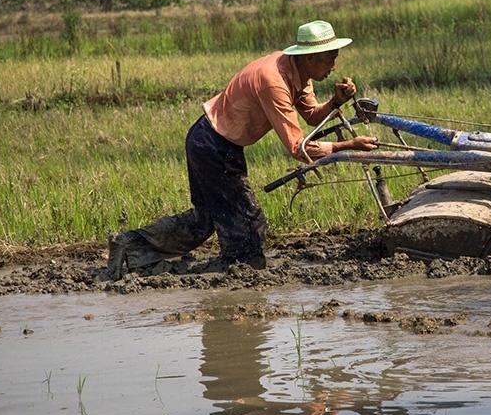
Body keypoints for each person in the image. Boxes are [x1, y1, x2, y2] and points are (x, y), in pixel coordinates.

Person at [106, 20, 378, 279]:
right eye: (330, 60)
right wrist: (348, 146)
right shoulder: (274, 81)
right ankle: (239, 277)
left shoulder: (297, 72)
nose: (333, 68)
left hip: (211, 140)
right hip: (213, 145)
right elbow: (298, 147)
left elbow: (311, 116)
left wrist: (335, 101)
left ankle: (129, 246)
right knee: (249, 224)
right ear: (310, 58)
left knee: (205, 221)